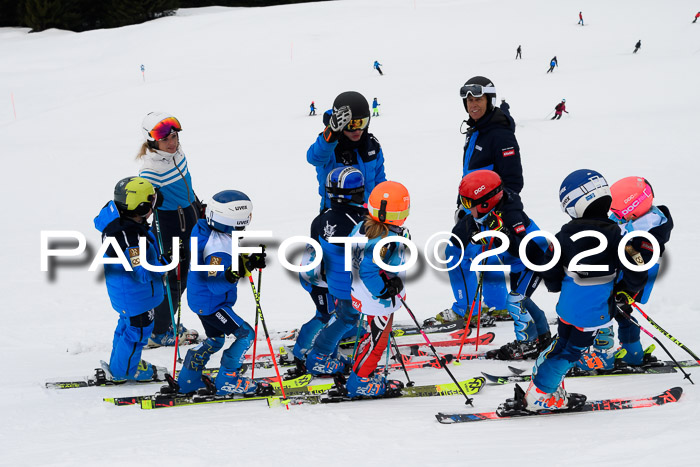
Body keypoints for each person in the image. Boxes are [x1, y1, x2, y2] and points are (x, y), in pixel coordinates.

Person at [522, 170, 647, 411]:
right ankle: (539, 396)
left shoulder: (563, 235)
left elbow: (551, 274)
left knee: (564, 344)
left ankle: (544, 387)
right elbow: (637, 271)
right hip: (593, 311)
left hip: (568, 306)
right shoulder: (621, 235)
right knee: (571, 352)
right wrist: (623, 292)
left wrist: (557, 283)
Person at [430, 76, 523, 325]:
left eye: (478, 99)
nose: (473, 104)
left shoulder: (499, 135)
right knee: (488, 255)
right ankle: (499, 305)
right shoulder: (478, 130)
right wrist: (464, 206)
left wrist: (494, 213)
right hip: (473, 209)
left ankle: (465, 309)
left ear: (490, 100)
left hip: (489, 212)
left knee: (455, 252)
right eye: (469, 100)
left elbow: (513, 183)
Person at [445, 170, 552, 360]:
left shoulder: (512, 217)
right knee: (522, 300)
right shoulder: (479, 216)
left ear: (487, 203)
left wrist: (503, 233)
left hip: (534, 262)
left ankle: (528, 343)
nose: (467, 208)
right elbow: (457, 239)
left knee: (516, 300)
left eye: (469, 204)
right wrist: (466, 240)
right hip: (517, 266)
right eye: (464, 202)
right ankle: (542, 336)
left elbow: (530, 252)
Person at [176, 190, 272, 396]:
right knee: (246, 335)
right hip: (213, 303)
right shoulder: (218, 251)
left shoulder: (203, 228)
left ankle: (188, 378)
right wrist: (235, 273)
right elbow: (215, 284)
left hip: (200, 299)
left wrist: (247, 260)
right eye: (248, 216)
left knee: (216, 339)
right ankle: (228, 379)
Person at [575, 177, 673, 372]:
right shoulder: (637, 220)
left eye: (619, 213)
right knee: (624, 314)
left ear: (634, 209)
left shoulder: (648, 236)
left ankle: (603, 356)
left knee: (603, 313)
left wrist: (625, 289)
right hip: (620, 279)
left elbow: (639, 266)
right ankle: (633, 353)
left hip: (630, 284)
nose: (616, 216)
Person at [94, 176, 168, 382]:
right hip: (137, 297)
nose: (154, 205)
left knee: (126, 328)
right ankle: (123, 372)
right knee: (137, 334)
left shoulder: (120, 224)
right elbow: (142, 273)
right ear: (141, 206)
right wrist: (166, 264)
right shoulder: (130, 239)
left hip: (126, 294)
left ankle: (122, 362)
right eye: (151, 202)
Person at [296, 167, 368, 376]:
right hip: (327, 281)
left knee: (332, 315)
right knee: (331, 316)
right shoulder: (357, 223)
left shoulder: (323, 216)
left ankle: (324, 350)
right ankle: (305, 352)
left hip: (320, 276)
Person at [137, 112, 200, 348]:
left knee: (187, 275)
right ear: (153, 142)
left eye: (174, 136)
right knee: (174, 278)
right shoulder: (150, 169)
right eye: (166, 140)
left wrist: (195, 202)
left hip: (189, 216)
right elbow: (145, 205)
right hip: (170, 225)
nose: (172, 142)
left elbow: (186, 182)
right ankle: (159, 331)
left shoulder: (177, 153)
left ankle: (164, 323)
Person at [343, 181, 410, 398]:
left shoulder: (362, 227)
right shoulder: (384, 240)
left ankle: (361, 365)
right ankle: (359, 382)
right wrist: (384, 289)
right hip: (378, 301)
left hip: (362, 294)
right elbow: (368, 271)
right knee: (379, 342)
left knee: (376, 334)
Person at [307, 91, 387, 211]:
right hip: (335, 216)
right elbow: (315, 158)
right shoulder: (328, 146)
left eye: (362, 123)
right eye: (351, 125)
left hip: (367, 215)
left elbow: (379, 182)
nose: (357, 130)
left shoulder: (372, 146)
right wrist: (331, 135)